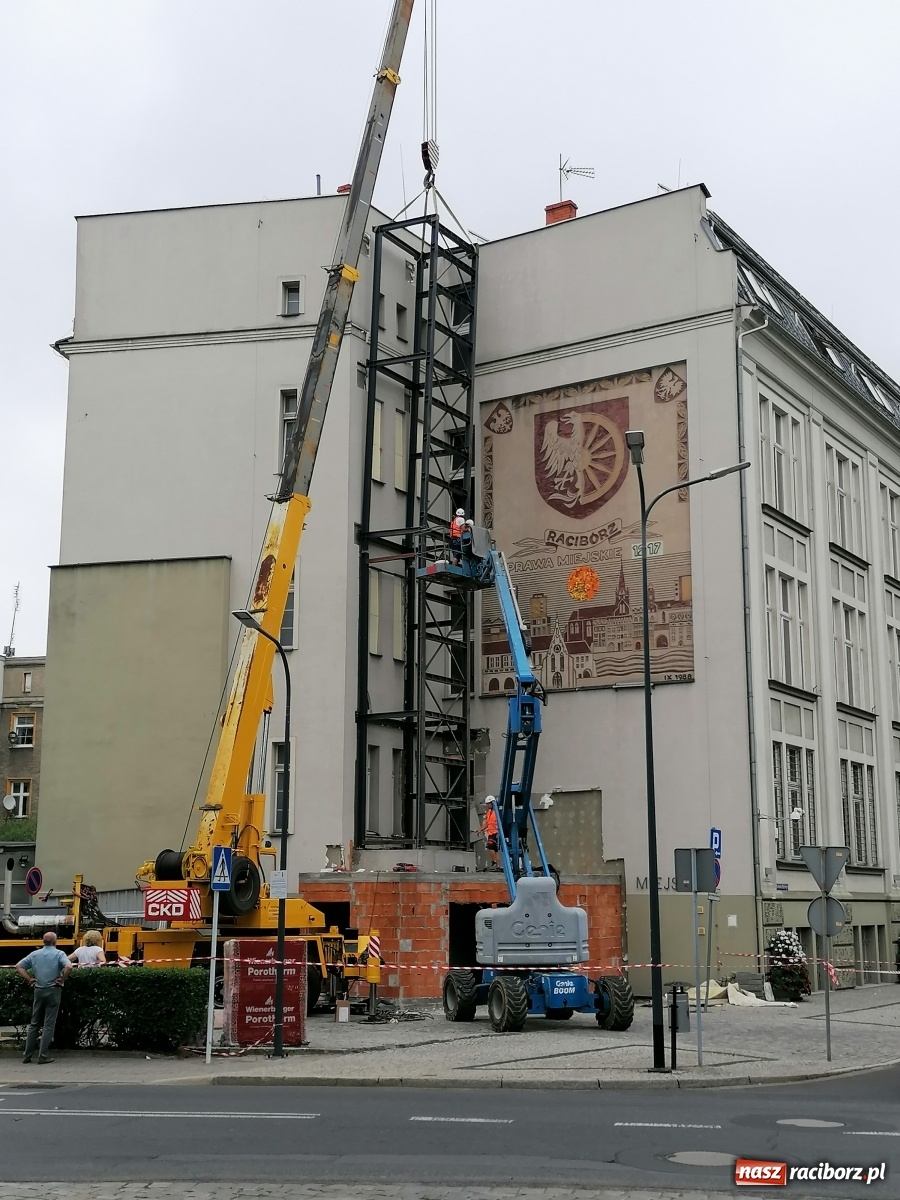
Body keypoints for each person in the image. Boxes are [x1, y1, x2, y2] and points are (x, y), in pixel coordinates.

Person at [16, 931, 72, 1064]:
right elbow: (69, 966)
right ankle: (43, 1056)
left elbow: (19, 966)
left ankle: (27, 1055)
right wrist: (62, 978)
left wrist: (29, 979)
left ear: (43, 942)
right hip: (53, 990)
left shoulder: (35, 954)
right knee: (48, 1024)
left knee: (34, 1023)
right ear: (55, 942)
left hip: (38, 990)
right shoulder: (59, 954)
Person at [478, 797, 500, 869]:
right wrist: (480, 829)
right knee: (495, 849)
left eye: (488, 804)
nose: (487, 805)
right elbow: (487, 823)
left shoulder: (497, 812)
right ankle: (497, 865)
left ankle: (495, 862)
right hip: (490, 833)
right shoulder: (489, 812)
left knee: (490, 846)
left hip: (496, 832)